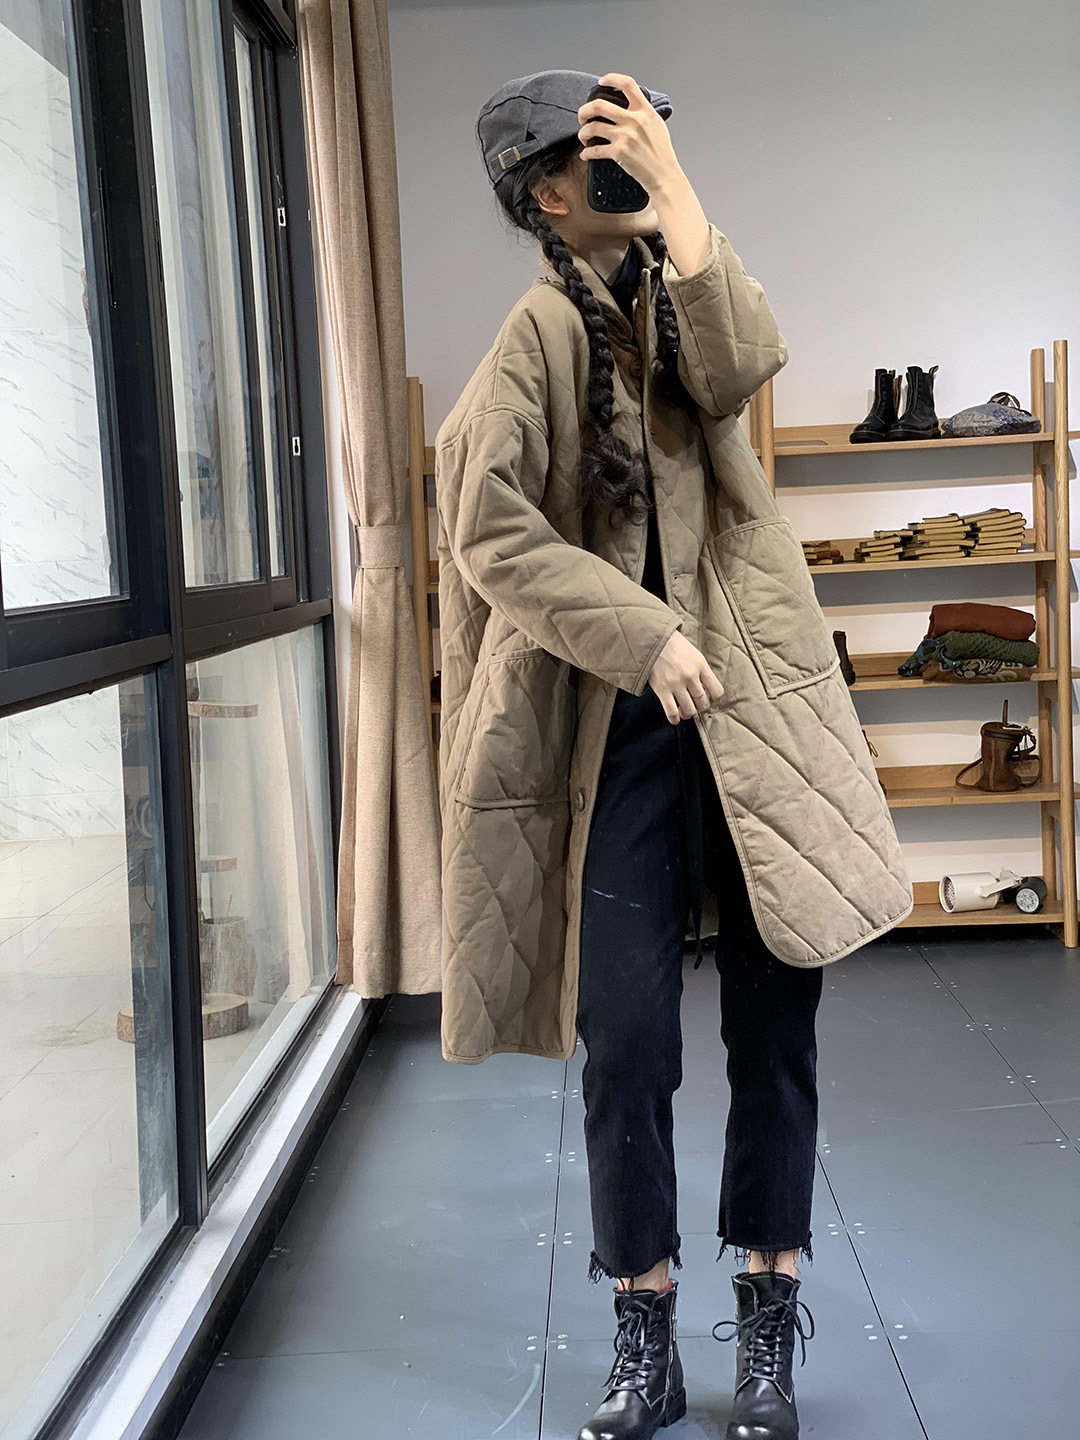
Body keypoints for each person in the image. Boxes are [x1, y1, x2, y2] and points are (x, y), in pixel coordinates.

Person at [449, 68, 825, 1440]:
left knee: (778, 1017)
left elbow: (746, 361)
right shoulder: (536, 335)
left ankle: (771, 1316)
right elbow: (489, 531)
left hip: (751, 708)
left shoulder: (685, 288)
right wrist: (643, 631)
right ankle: (645, 1328)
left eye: (638, 142)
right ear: (547, 195)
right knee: (624, 1039)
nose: (625, 163)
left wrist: (679, 199)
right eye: (597, 153)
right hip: (617, 727)